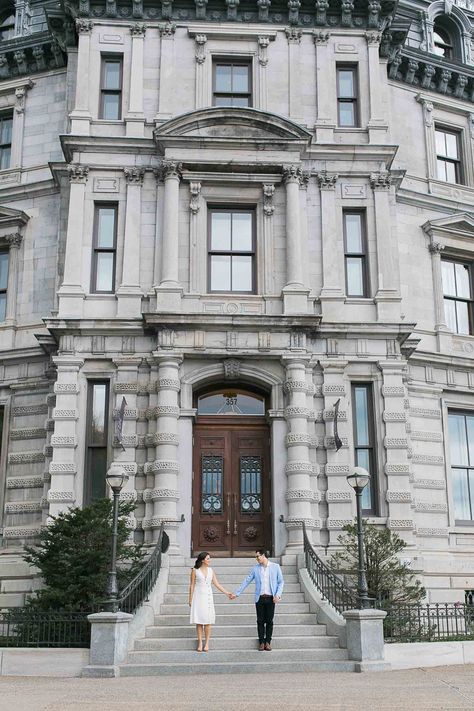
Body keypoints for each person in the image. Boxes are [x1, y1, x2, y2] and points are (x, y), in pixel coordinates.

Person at [231, 548, 284, 651]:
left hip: (270, 598)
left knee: (269, 621)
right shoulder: (256, 568)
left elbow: (281, 582)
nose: (256, 558)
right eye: (256, 557)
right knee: (260, 621)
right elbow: (247, 581)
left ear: (263, 555)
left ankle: (268, 642)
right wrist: (237, 593)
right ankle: (261, 642)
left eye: (257, 556)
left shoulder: (275, 567)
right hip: (259, 598)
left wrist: (277, 595)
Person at [188, 551, 233, 652]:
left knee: (208, 621)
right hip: (198, 597)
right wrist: (190, 599)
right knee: (199, 622)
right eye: (208, 558)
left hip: (208, 597)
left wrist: (227, 593)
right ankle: (200, 643)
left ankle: (207, 643)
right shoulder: (195, 570)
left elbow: (217, 584)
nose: (210, 560)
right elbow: (191, 585)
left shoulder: (211, 570)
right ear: (203, 560)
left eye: (209, 558)